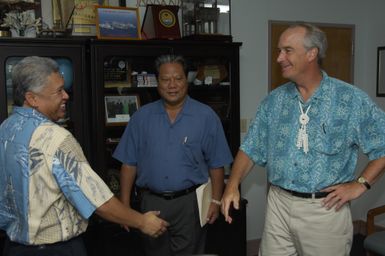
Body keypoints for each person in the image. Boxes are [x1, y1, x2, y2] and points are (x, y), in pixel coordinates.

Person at [221, 23, 385, 256]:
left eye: (287, 50)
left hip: (324, 210)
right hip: (278, 203)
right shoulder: (273, 101)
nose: (279, 58)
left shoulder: (350, 100)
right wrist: (232, 185)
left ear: (312, 53)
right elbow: (251, 147)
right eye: (279, 50)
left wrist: (360, 184)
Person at [0, 56, 168, 256]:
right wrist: (142, 222)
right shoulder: (55, 137)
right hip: (56, 250)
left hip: (13, 248)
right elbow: (98, 200)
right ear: (32, 99)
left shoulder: (6, 128)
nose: (66, 96)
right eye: (58, 91)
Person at [113, 54, 233, 256]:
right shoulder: (141, 117)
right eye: (165, 79)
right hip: (152, 203)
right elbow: (128, 163)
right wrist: (124, 207)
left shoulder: (206, 117)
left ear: (187, 80)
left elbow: (217, 164)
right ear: (157, 82)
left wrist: (216, 201)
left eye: (178, 78)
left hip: (190, 204)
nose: (172, 85)